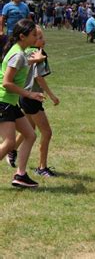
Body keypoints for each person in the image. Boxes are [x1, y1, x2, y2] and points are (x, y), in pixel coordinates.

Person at [7, 26, 60, 176]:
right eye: (40, 38)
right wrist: (51, 95)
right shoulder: (39, 53)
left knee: (28, 130)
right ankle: (42, 168)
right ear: (32, 39)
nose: (44, 41)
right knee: (47, 133)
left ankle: (11, 150)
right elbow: (38, 77)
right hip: (32, 97)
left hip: (23, 96)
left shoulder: (24, 52)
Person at [0, 19, 45, 188]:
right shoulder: (18, 53)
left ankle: (20, 175)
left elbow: (22, 63)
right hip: (3, 101)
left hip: (9, 102)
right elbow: (7, 82)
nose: (36, 38)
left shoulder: (20, 51)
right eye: (33, 35)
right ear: (22, 36)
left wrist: (35, 60)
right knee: (9, 143)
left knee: (30, 135)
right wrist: (29, 94)